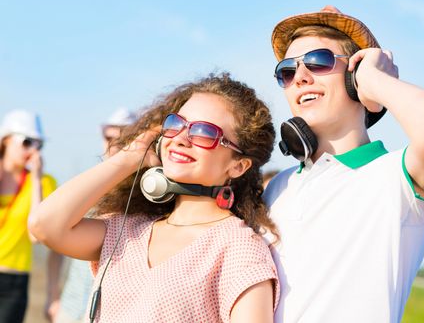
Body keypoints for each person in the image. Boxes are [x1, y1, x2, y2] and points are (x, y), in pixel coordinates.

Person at [263, 6, 424, 322]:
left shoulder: (398, 179)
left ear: (354, 76)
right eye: (286, 71)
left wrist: (374, 78)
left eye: (318, 61)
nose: (300, 77)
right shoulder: (277, 187)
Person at [30, 73, 280, 322]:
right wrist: (130, 157)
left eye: (204, 132)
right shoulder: (128, 230)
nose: (181, 139)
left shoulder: (238, 249)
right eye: (176, 124)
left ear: (238, 166)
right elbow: (45, 225)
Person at [46, 108, 138, 323]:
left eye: (123, 139)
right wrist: (52, 295)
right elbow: (55, 245)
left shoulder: (144, 194)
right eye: (109, 138)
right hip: (71, 307)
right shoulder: (82, 188)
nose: (115, 145)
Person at [0, 109, 57, 323]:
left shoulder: (45, 183)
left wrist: (35, 180)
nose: (33, 150)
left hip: (14, 282)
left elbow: (36, 236)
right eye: (26, 142)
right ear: (6, 141)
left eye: (38, 144)